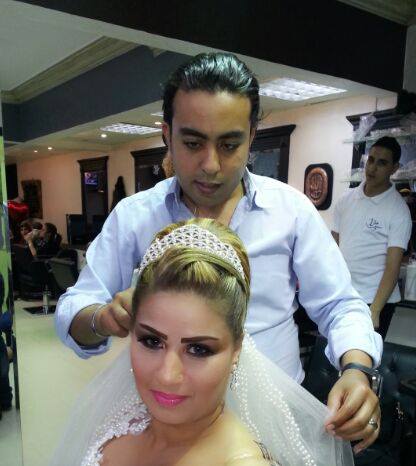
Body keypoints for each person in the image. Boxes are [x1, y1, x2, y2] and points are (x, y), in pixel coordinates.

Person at [56, 52, 382, 453]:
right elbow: (74, 308)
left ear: (252, 135)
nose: (211, 165)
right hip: (166, 419)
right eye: (193, 143)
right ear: (167, 135)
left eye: (229, 145)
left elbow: (340, 304)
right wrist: (103, 318)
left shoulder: (291, 212)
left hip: (271, 423)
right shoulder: (134, 216)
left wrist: (356, 368)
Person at [50, 219, 353, 465]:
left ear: (237, 350)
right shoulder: (121, 425)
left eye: (198, 349)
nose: (167, 375)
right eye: (151, 341)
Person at [332, 136, 412, 340]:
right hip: (343, 296)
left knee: (363, 358)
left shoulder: (398, 210)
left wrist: (375, 310)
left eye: (382, 163)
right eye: (371, 160)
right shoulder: (345, 200)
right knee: (333, 352)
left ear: (394, 168)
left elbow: (392, 267)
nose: (373, 168)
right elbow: (331, 250)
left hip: (374, 301)